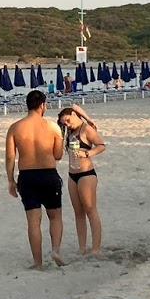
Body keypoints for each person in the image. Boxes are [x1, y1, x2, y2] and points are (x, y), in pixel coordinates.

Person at [6, 89, 66, 269]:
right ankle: (55, 250)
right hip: (48, 175)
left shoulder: (15, 127)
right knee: (55, 216)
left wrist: (11, 180)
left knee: (33, 221)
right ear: (42, 105)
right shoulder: (52, 127)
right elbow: (58, 155)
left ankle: (38, 262)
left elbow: (10, 157)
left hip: (27, 176)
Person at [58, 104, 105, 257]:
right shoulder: (70, 132)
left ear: (73, 114)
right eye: (64, 123)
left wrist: (88, 154)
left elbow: (101, 146)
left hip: (86, 173)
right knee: (78, 212)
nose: (67, 124)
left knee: (90, 209)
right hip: (73, 174)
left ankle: (96, 248)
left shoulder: (86, 129)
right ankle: (82, 247)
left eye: (68, 120)